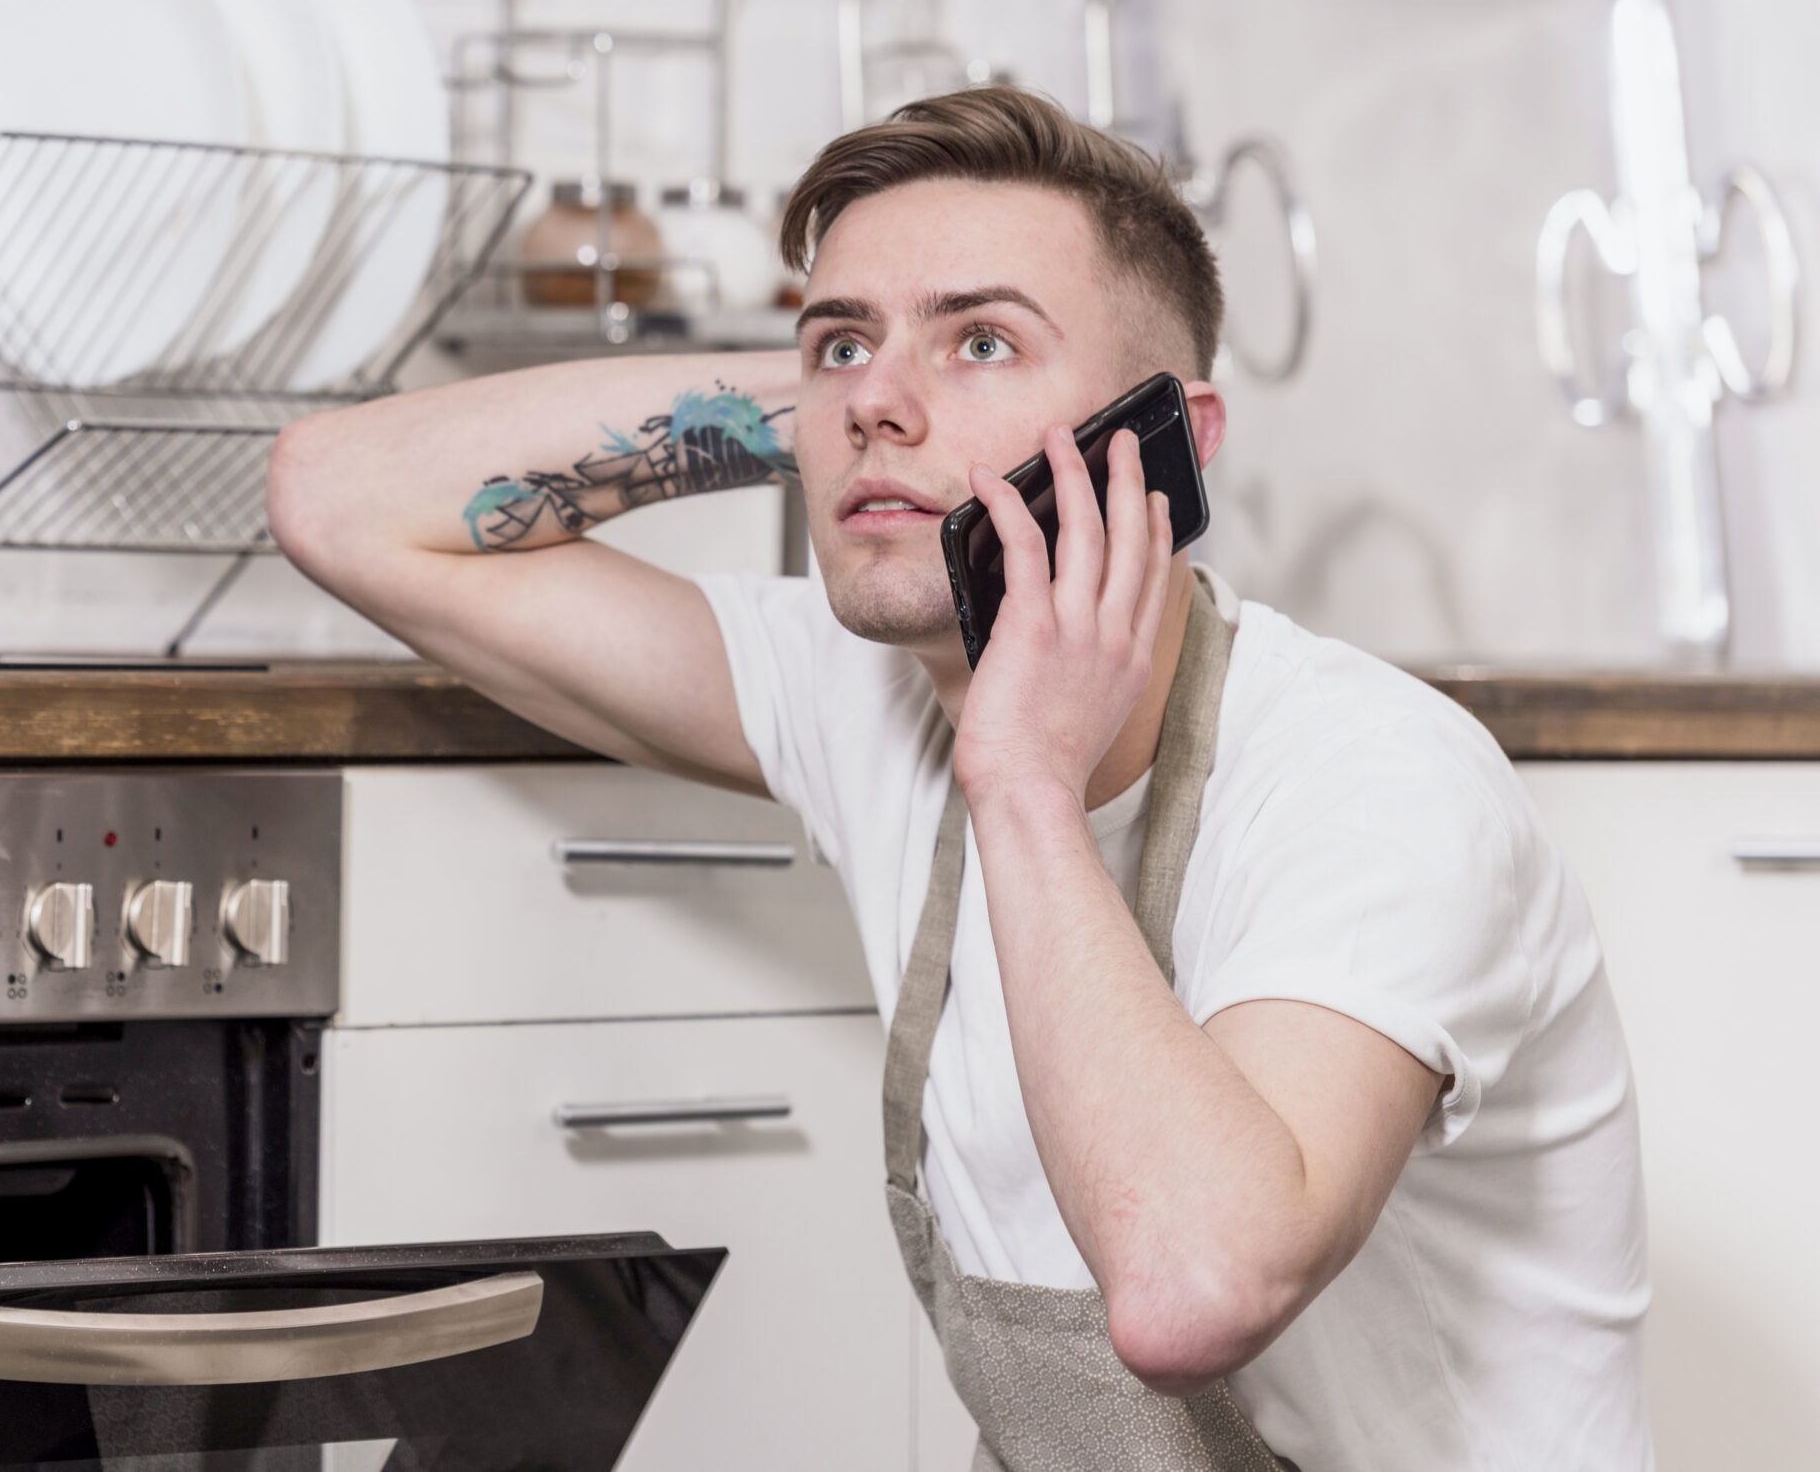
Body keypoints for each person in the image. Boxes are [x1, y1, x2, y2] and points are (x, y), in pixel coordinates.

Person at [268, 86, 1649, 1471]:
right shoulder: (865, 685)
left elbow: (1194, 1288)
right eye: (842, 339)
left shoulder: (1370, 780)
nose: (881, 399)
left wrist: (1026, 783)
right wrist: (852, 388)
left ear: (1174, 439)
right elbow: (338, 500)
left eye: (987, 339)